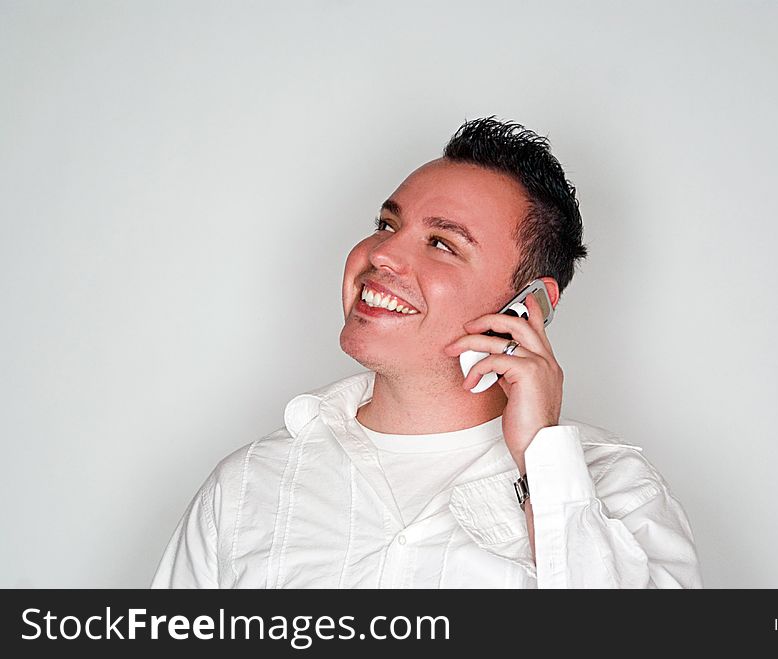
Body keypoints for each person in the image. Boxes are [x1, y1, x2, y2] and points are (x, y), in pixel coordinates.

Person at [151, 117, 702, 588]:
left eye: (442, 243)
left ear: (529, 304)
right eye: (387, 224)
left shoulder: (618, 489)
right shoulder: (247, 486)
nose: (383, 253)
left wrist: (542, 459)